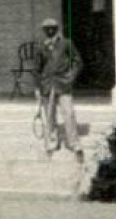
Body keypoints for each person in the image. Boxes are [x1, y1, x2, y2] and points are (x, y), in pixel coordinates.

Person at [35, 17, 84, 162]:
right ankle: (52, 144)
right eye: (47, 28)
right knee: (49, 115)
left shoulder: (66, 43)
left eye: (53, 28)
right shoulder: (40, 46)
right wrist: (38, 87)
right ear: (44, 31)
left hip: (63, 84)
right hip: (47, 85)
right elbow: (37, 69)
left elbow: (77, 62)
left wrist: (70, 77)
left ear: (57, 29)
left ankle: (75, 145)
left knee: (68, 114)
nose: (50, 30)